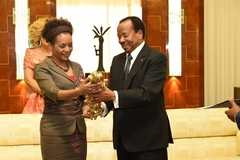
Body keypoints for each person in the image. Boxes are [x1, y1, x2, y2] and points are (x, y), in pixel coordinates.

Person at [90, 16, 173, 160]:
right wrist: (101, 107)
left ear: (139, 34)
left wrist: (113, 96)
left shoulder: (156, 59)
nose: (121, 40)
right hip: (123, 139)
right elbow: (112, 90)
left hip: (149, 140)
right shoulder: (117, 60)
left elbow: (147, 93)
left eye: (125, 35)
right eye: (118, 36)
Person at [34, 17, 102, 160]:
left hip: (79, 132)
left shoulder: (77, 67)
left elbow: (83, 98)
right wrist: (79, 91)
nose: (68, 49)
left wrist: (86, 108)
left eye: (70, 45)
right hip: (55, 132)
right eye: (62, 46)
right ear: (50, 45)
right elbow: (53, 92)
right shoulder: (42, 68)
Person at [22, 17, 52, 113]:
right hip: (37, 99)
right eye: (45, 34)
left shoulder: (60, 52)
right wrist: (47, 93)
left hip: (59, 99)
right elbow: (28, 79)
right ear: (38, 36)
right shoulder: (31, 53)